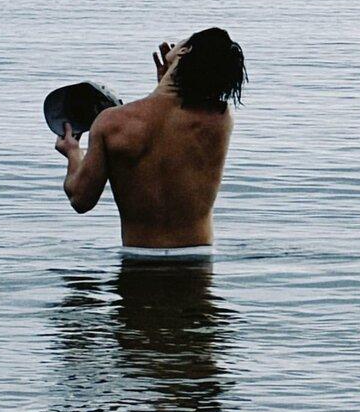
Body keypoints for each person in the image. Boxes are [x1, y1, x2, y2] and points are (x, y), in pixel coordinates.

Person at [54, 28, 246, 259]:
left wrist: (73, 153)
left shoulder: (111, 122)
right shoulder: (220, 119)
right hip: (198, 257)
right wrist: (169, 80)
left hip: (138, 257)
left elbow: (80, 199)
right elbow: (169, 121)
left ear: (184, 51)